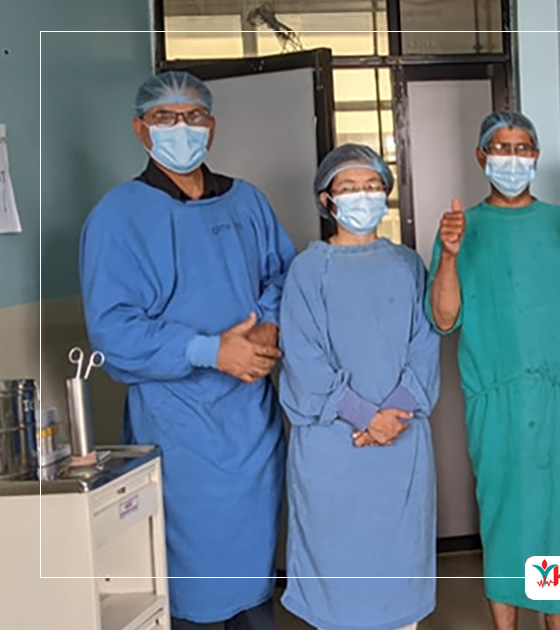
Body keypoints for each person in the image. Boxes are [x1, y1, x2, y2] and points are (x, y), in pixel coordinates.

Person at [79, 71, 295, 629]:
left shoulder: (246, 202)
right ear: (140, 129)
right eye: (165, 117)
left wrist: (269, 325)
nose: (181, 127)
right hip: (177, 435)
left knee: (254, 586)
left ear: (212, 126)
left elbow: (283, 276)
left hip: (250, 427)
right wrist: (208, 351)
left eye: (193, 115)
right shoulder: (118, 216)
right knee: (189, 591)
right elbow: (114, 332)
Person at [426, 111, 560, 630]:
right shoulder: (462, 229)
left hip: (557, 394)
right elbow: (443, 319)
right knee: (504, 515)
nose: (512, 159)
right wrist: (449, 256)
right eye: (501, 148)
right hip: (494, 401)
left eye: (522, 148)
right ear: (481, 157)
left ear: (536, 157)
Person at [277, 144, 440, 630]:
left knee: (399, 578)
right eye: (349, 187)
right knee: (338, 582)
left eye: (372, 186)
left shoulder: (408, 265)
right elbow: (305, 361)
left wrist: (392, 415)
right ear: (327, 199)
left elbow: (425, 345)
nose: (362, 195)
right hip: (335, 451)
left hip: (400, 448)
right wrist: (368, 417)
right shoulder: (308, 271)